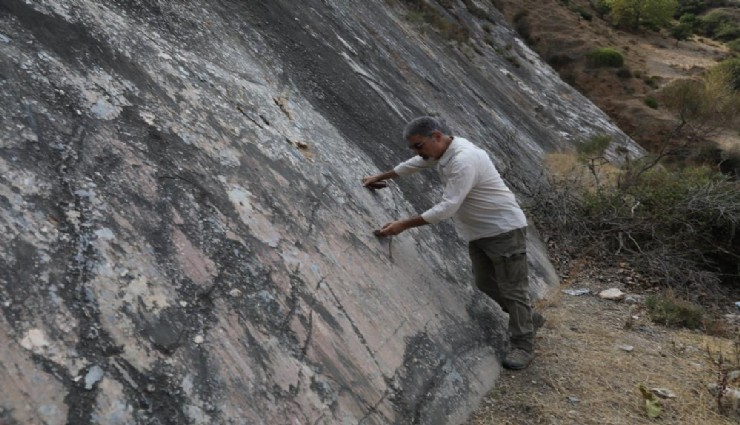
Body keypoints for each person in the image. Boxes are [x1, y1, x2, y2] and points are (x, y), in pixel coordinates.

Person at [362, 116, 542, 370]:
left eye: (419, 145)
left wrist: (403, 224)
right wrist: (382, 175)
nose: (417, 151)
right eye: (413, 147)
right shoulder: (443, 151)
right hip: (478, 232)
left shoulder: (463, 159)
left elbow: (447, 207)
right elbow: (417, 163)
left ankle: (523, 344)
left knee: (514, 289)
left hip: (503, 230)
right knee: (485, 282)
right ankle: (525, 317)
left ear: (436, 136)